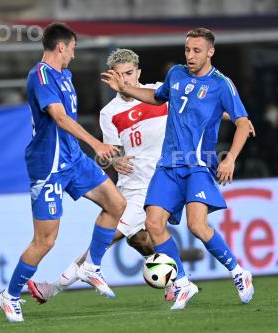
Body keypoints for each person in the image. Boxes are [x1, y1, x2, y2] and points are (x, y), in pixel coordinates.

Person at [28, 48, 256, 305]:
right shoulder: (109, 113)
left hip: (165, 178)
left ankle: (53, 288)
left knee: (111, 239)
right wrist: (114, 159)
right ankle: (178, 280)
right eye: (118, 74)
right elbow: (109, 154)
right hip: (133, 187)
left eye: (129, 73)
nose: (124, 79)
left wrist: (238, 119)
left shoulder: (161, 91)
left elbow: (202, 107)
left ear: (138, 72)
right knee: (141, 241)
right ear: (110, 77)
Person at [101, 28, 254, 310]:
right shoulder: (176, 74)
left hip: (196, 165)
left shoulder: (221, 84)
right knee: (153, 224)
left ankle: (239, 272)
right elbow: (157, 97)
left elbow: (243, 122)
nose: (190, 55)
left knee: (197, 226)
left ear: (210, 52)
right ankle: (182, 282)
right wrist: (125, 89)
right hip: (168, 165)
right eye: (187, 50)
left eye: (197, 50)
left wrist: (230, 158)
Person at [0, 22, 126, 323]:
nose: (74, 55)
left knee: (117, 204)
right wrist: (96, 142)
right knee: (45, 241)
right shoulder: (40, 76)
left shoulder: (65, 75)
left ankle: (91, 266)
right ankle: (10, 295)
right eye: (73, 49)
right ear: (61, 47)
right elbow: (57, 116)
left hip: (73, 160)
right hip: (48, 166)